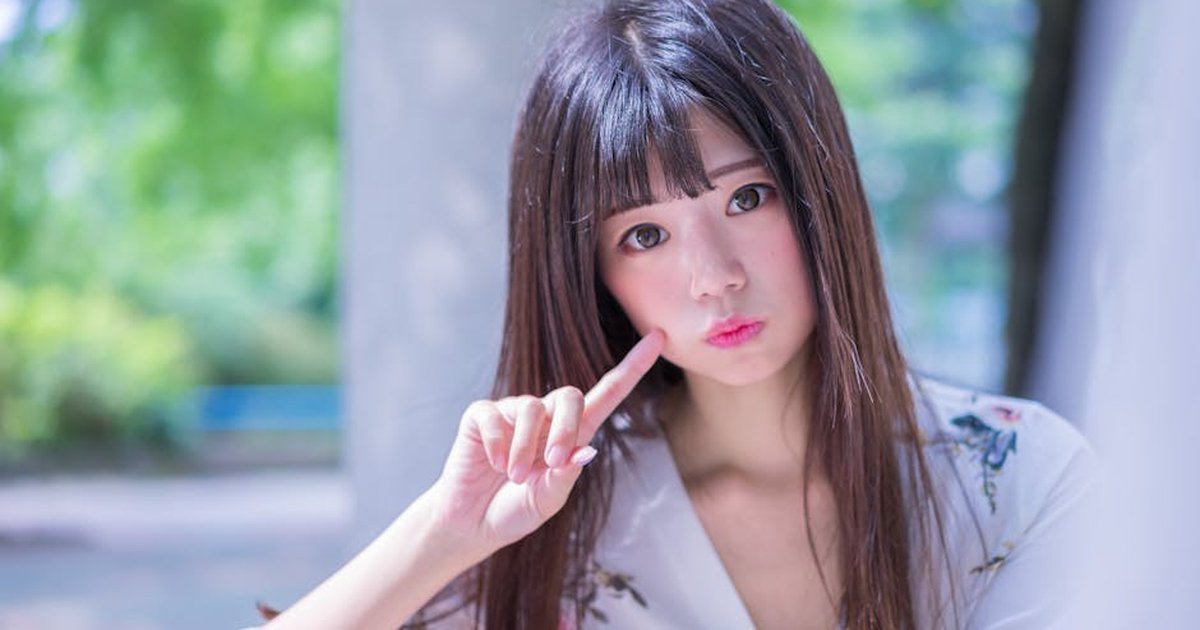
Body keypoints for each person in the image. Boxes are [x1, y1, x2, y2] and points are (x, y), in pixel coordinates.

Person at [260, 0, 1094, 627]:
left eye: (748, 197)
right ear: (592, 275)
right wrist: (447, 533)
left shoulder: (1017, 481)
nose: (713, 277)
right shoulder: (566, 522)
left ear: (821, 192)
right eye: (646, 233)